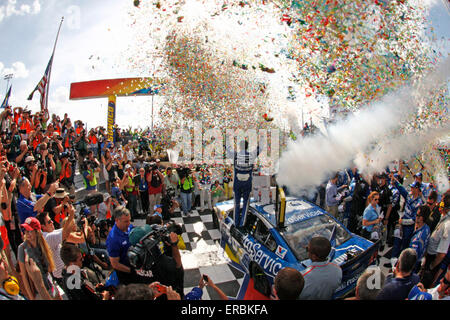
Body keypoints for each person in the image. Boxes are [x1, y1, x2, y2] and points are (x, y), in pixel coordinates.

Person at [17, 217, 57, 300]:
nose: (27, 233)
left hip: (50, 286)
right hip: (38, 293)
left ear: (37, 232)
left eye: (30, 231)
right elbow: (24, 277)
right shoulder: (22, 249)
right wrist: (31, 298)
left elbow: (49, 270)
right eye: (25, 230)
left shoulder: (42, 244)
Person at [420, 193, 450, 288]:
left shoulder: (448, 225)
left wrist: (432, 266)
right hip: (429, 256)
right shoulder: (443, 217)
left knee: (425, 283)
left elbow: (441, 254)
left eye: (441, 202)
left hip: (433, 259)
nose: (439, 204)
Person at [391, 180, 424, 259]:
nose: (411, 189)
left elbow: (414, 219)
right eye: (411, 187)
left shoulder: (419, 203)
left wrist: (403, 221)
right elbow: (402, 190)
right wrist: (395, 181)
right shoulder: (409, 195)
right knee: (396, 242)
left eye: (413, 188)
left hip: (409, 227)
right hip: (401, 223)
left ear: (417, 189)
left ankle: (400, 263)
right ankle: (393, 260)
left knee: (404, 245)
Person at [106, 206, 136, 285]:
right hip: (126, 274)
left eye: (129, 220)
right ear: (116, 220)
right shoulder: (113, 239)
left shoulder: (128, 227)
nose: (129, 223)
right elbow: (115, 264)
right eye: (126, 221)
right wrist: (132, 271)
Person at [409, 205, 431, 273]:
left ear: (422, 218)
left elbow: (411, 257)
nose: (416, 216)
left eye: (418, 215)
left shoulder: (418, 238)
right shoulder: (427, 228)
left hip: (411, 265)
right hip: (419, 260)